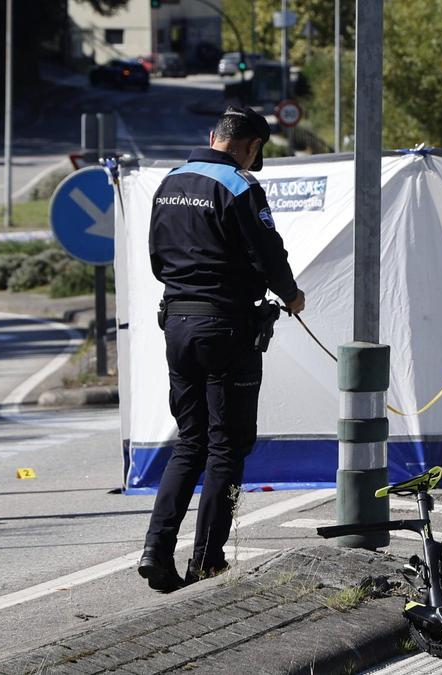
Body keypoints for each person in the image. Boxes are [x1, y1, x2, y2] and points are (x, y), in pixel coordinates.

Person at [138, 107, 305, 591]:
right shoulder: (239, 185)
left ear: (213, 136)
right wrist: (291, 295)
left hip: (177, 322)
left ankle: (156, 550)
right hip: (227, 326)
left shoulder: (170, 182)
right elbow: (268, 253)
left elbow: (156, 258)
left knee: (190, 442)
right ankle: (208, 560)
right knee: (227, 446)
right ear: (251, 146)